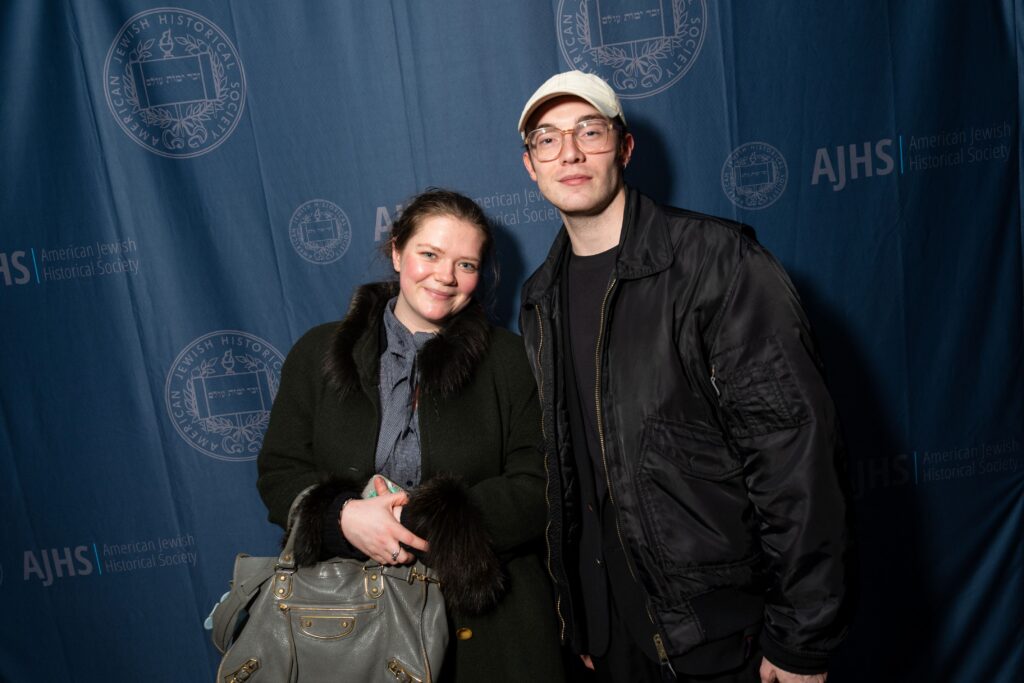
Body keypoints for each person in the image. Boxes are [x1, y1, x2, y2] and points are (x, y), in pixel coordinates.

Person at [516, 71, 851, 683]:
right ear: (530, 165)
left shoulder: (716, 262)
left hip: (722, 633)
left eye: (588, 131)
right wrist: (583, 618)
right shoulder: (539, 298)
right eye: (547, 138)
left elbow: (793, 450)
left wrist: (803, 635)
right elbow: (569, 472)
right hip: (610, 637)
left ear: (624, 147)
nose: (568, 151)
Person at [257, 188, 565, 682]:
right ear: (397, 251)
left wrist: (422, 519)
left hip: (491, 632)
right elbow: (280, 471)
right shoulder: (318, 352)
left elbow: (540, 482)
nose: (445, 277)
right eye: (430, 254)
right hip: (346, 624)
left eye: (466, 264)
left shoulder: (510, 360)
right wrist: (343, 516)